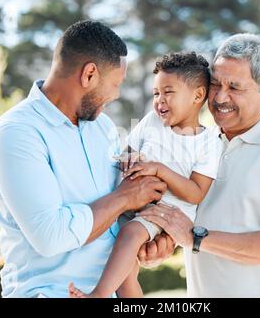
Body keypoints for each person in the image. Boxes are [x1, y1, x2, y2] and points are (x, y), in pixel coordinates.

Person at [0, 20, 172, 298]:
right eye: (115, 83)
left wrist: (148, 236)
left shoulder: (103, 127)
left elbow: (112, 216)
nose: (117, 94)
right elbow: (51, 236)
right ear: (89, 74)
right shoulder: (16, 134)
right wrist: (125, 197)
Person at [139, 33, 260, 297]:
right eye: (215, 84)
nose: (220, 97)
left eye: (235, 88)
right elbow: (186, 220)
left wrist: (195, 238)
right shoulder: (198, 143)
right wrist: (165, 243)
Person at [68, 52, 223, 298]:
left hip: (162, 213)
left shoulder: (208, 142)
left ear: (197, 95)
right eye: (156, 93)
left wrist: (159, 170)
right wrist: (129, 160)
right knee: (124, 272)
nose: (160, 100)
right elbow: (129, 152)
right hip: (131, 201)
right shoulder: (152, 121)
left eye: (168, 92)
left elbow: (196, 193)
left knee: (129, 235)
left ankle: (98, 295)